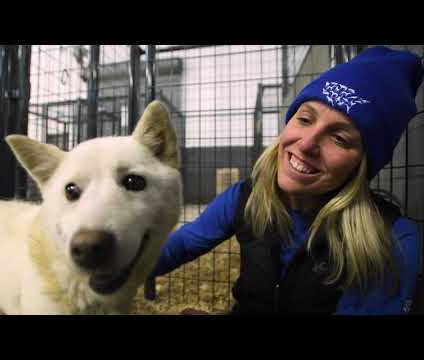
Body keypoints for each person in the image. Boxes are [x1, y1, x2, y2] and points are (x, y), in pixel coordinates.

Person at [150, 46, 424, 315]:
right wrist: (116, 261)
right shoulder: (247, 196)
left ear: (363, 163)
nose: (306, 144)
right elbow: (183, 244)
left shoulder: (391, 241)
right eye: (305, 119)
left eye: (339, 138)